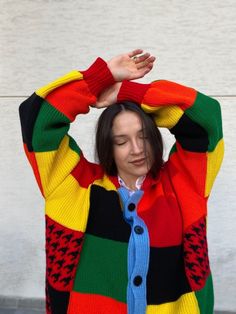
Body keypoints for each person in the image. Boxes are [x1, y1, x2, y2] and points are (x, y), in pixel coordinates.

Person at [19, 49, 224, 314]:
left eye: (143, 136)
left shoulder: (183, 183)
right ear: (108, 147)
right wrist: (98, 79)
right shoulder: (73, 186)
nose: (137, 149)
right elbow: (37, 121)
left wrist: (128, 93)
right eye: (122, 141)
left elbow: (206, 119)